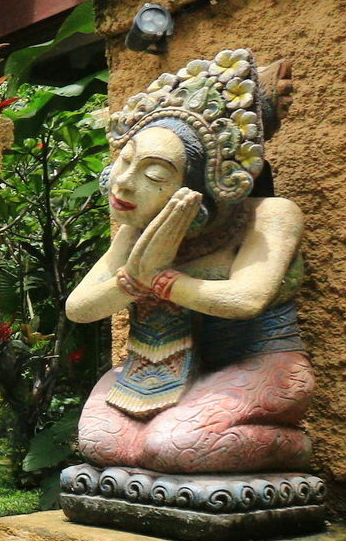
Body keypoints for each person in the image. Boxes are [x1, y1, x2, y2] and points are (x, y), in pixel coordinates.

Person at [64, 50, 313, 475]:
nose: (124, 181)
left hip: (260, 364)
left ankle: (295, 449)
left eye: (155, 176)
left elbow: (246, 299)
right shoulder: (137, 233)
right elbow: (79, 308)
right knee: (102, 445)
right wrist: (130, 282)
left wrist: (159, 279)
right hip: (161, 369)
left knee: (176, 447)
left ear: (203, 185)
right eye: (126, 161)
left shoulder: (269, 216)